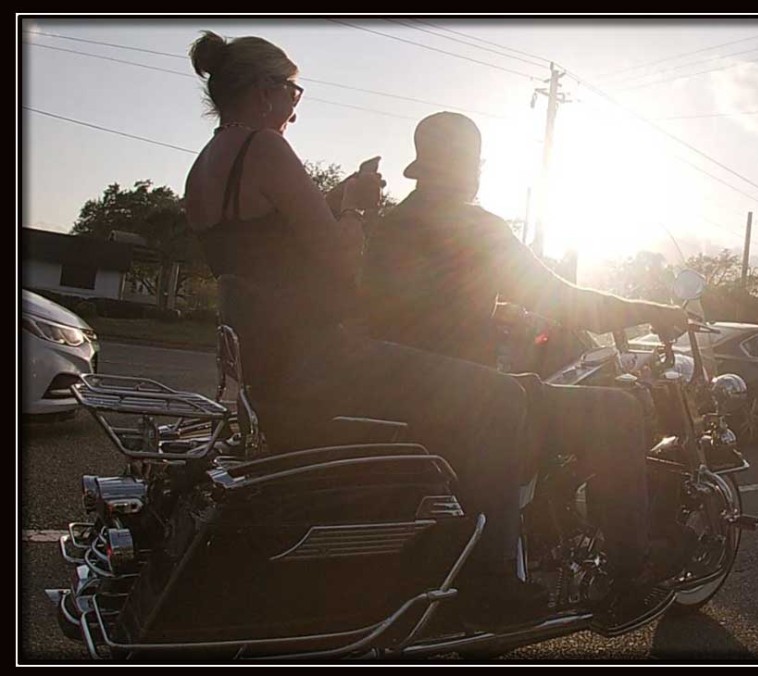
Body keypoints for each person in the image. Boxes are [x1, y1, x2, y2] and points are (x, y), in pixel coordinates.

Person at [183, 31, 546, 626]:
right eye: (293, 90)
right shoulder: (267, 149)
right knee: (502, 397)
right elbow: (339, 259)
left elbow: (268, 247)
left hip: (265, 371)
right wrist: (357, 208)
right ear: (267, 91)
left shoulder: (207, 165)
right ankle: (491, 582)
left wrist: (336, 199)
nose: (296, 106)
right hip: (321, 361)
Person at [361, 111, 691, 633]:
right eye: (477, 162)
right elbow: (566, 300)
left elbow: (412, 311)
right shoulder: (476, 226)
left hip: (404, 391)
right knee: (618, 411)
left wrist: (492, 314)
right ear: (468, 165)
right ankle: (630, 574)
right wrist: (652, 309)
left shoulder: (394, 223)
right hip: (464, 398)